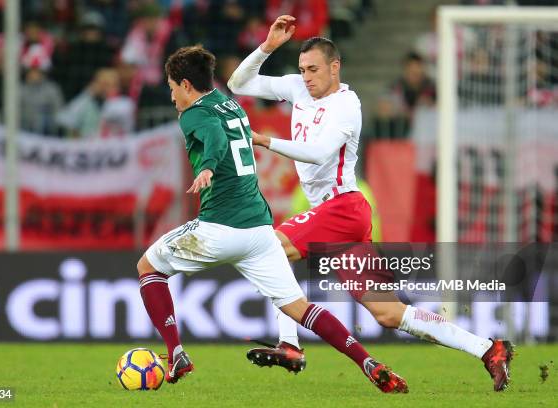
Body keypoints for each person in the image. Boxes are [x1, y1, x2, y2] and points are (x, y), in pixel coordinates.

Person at [228, 15, 514, 392]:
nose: (306, 76)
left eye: (313, 69)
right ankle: (488, 349)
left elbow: (316, 154)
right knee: (388, 312)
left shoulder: (347, 106)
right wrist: (267, 47)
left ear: (335, 67)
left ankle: (290, 345)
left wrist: (265, 141)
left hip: (343, 207)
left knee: (269, 249)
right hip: (336, 217)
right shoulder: (298, 88)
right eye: (301, 69)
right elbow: (238, 83)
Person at [137, 45, 408, 393]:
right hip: (259, 230)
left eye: (172, 86)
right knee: (300, 308)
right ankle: (367, 362)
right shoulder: (230, 104)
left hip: (218, 226)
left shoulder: (192, 114)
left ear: (186, 85)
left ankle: (175, 353)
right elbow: (228, 127)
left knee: (148, 267)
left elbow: (216, 139)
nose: (171, 94)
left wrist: (206, 167)